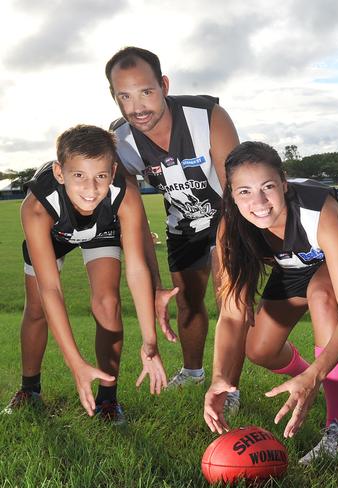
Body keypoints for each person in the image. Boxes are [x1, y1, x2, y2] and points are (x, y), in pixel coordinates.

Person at [203, 142, 338, 464]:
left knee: (323, 295)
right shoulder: (231, 228)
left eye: (267, 187)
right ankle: (313, 379)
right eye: (244, 192)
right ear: (230, 194)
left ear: (284, 184)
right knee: (260, 349)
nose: (258, 202)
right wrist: (218, 377)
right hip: (296, 261)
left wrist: (316, 373)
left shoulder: (318, 210)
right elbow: (231, 316)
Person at [3, 125, 169, 424]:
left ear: (113, 171)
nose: (91, 189)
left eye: (100, 176)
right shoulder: (36, 206)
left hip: (101, 229)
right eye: (79, 175)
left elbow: (136, 268)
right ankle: (30, 389)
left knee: (108, 304)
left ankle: (108, 398)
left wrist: (150, 341)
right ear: (59, 172)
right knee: (38, 308)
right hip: (53, 233)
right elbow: (51, 288)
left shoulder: (124, 194)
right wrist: (75, 362)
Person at [105, 47, 241, 407]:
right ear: (114, 98)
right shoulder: (119, 141)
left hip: (229, 213)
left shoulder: (208, 116)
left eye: (146, 91)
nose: (137, 107)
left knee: (231, 299)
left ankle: (228, 386)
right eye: (125, 96)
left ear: (163, 85)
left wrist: (225, 250)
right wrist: (154, 285)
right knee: (187, 303)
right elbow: (133, 220)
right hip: (183, 223)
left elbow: (236, 190)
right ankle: (193, 371)